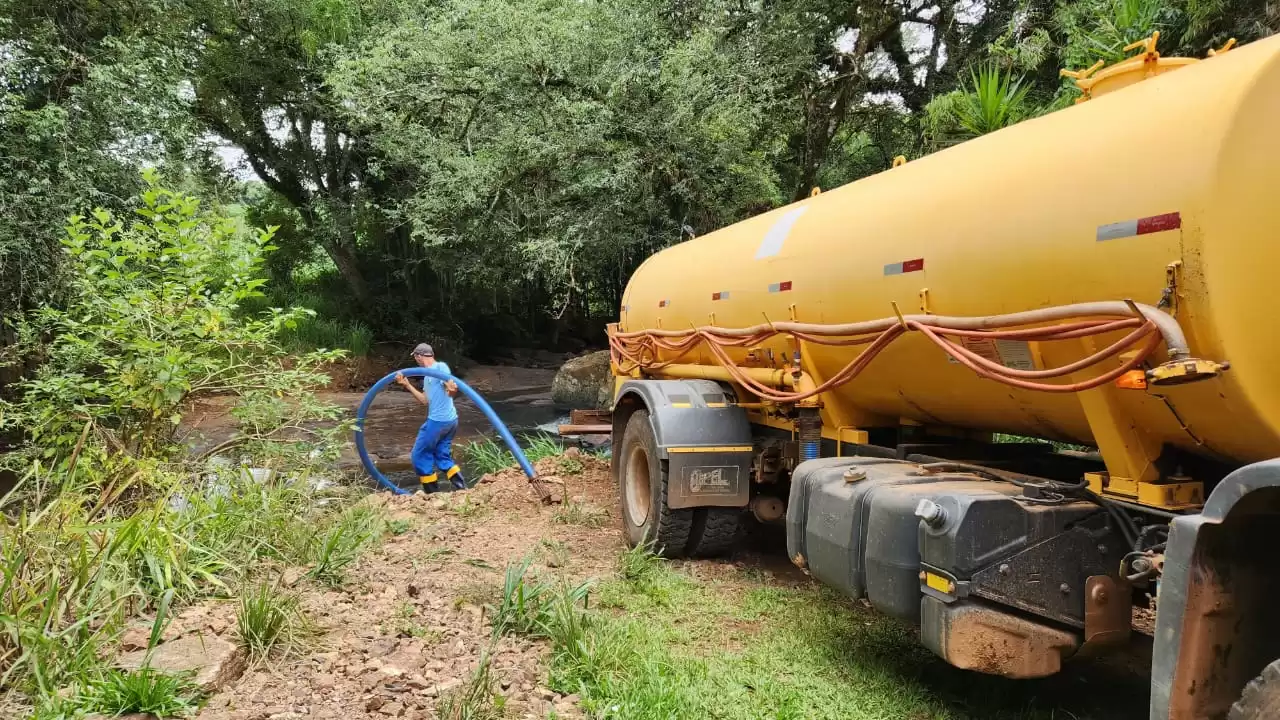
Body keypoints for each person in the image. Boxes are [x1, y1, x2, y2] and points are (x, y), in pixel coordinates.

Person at [396, 343, 466, 493]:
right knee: (442, 456)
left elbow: (450, 390)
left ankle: (432, 495)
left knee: (419, 455)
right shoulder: (427, 375)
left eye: (415, 356)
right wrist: (407, 385)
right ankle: (462, 490)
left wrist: (452, 390)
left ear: (419, 356)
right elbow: (425, 401)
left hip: (439, 422)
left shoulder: (440, 368)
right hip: (450, 421)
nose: (415, 359)